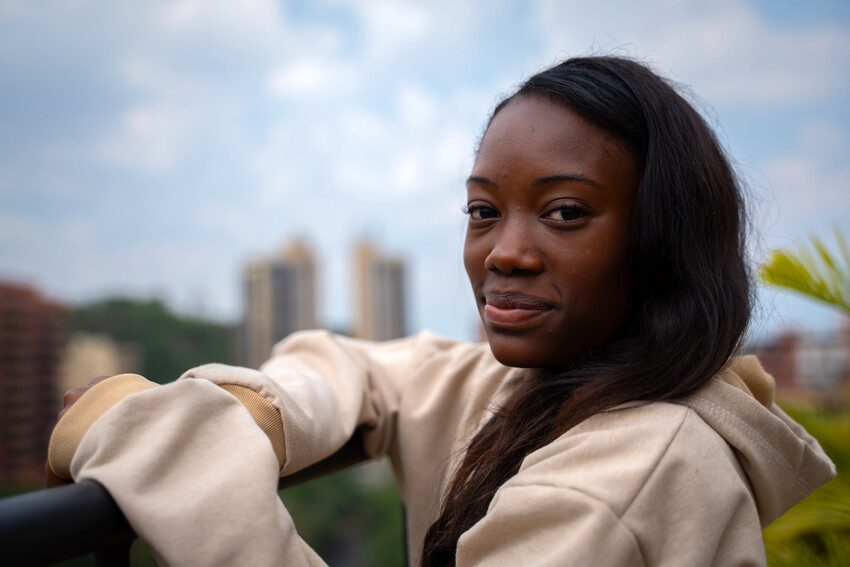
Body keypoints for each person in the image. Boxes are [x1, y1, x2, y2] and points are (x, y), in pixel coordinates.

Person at [48, 56, 835, 566]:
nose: (505, 251)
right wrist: (261, 410)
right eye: (483, 211)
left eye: (564, 212)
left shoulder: (625, 476)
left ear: (663, 238)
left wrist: (166, 446)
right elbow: (382, 368)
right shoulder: (539, 389)